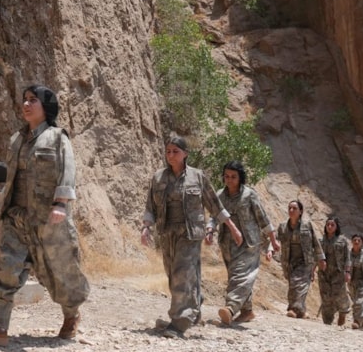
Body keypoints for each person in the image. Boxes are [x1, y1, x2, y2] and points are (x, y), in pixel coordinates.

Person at [0, 85, 90, 347]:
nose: (26, 104)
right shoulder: (16, 139)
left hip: (49, 220)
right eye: (24, 100)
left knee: (60, 272)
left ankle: (71, 314)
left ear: (46, 106)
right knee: (6, 267)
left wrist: (61, 203)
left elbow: (68, 171)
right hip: (17, 218)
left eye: (33, 100)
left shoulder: (57, 137)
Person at [140, 137, 243, 338]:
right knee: (173, 275)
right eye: (168, 151)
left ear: (185, 153)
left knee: (182, 274)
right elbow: (150, 206)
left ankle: (179, 323)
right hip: (167, 233)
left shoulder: (197, 176)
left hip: (190, 234)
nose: (171, 155)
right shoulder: (158, 177)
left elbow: (214, 204)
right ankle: (194, 304)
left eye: (175, 151)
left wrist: (233, 228)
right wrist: (146, 228)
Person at [215, 161, 281, 325]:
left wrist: (273, 240)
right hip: (227, 243)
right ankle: (247, 311)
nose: (229, 180)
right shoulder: (220, 195)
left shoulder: (249, 195)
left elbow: (262, 217)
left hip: (249, 244)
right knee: (236, 276)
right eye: (227, 176)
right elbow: (215, 216)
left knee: (240, 276)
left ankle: (230, 308)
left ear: (240, 178)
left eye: (233, 177)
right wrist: (210, 231)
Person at [276, 200, 326, 319]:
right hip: (289, 260)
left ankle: (293, 309)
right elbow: (276, 240)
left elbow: (315, 242)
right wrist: (271, 249)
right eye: (290, 208)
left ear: (300, 211)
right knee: (293, 285)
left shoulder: (307, 225)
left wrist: (321, 258)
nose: (291, 210)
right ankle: (302, 311)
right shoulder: (283, 226)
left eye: (294, 208)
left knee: (297, 283)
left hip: (305, 261)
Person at [317, 216, 351, 326]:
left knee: (340, 295)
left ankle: (343, 312)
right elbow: (315, 257)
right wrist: (312, 271)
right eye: (328, 224)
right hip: (324, 274)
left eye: (332, 225)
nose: (330, 227)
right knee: (326, 297)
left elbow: (347, 258)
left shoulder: (342, 241)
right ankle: (327, 321)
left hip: (338, 273)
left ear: (337, 227)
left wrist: (347, 272)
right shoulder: (320, 241)